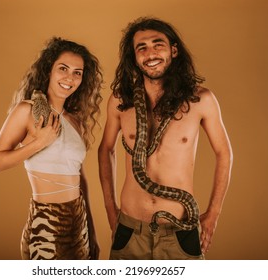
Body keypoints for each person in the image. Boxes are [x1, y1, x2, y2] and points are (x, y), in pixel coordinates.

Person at [98, 17, 233, 260]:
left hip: (181, 229)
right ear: (134, 57)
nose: (150, 53)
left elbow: (224, 152)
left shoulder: (201, 100)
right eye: (142, 47)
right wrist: (110, 210)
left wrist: (213, 213)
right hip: (130, 228)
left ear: (174, 50)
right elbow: (105, 149)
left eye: (157, 44)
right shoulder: (120, 101)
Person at [0, 37, 103, 260]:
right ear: (48, 70)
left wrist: (91, 228)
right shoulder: (27, 111)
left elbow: (80, 176)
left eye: (77, 72)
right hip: (46, 222)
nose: (70, 78)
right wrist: (39, 142)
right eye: (63, 68)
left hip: (78, 221)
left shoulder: (75, 120)